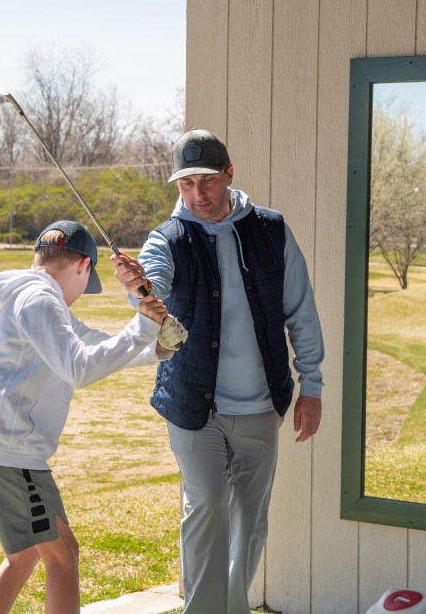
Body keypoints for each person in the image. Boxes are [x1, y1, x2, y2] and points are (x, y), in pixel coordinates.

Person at [113, 129, 325, 614]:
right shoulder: (166, 239)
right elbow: (152, 280)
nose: (197, 194)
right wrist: (140, 290)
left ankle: (231, 608)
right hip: (193, 405)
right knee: (206, 508)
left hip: (260, 405)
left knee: (249, 521)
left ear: (230, 174)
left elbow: (302, 313)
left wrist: (311, 385)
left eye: (207, 181)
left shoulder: (272, 231)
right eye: (186, 184)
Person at [0, 220, 185, 614]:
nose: (79, 297)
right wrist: (142, 323)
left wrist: (155, 346)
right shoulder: (40, 300)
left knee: (25, 555)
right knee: (62, 555)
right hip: (4, 448)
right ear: (83, 267)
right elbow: (80, 368)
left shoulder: (35, 296)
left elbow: (93, 345)